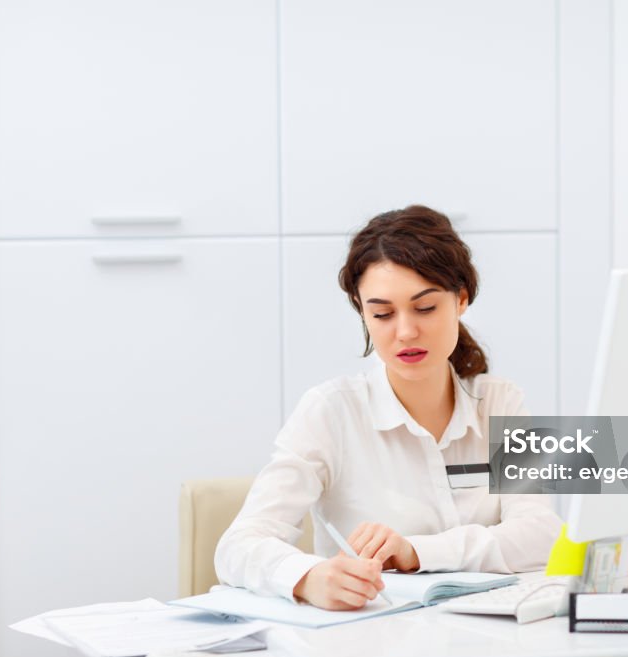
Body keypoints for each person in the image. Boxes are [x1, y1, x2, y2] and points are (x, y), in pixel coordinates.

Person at [215, 205, 562, 610]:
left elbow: (542, 535)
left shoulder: (500, 402)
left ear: (462, 299)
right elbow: (238, 546)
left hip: (492, 638)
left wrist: (415, 552)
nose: (405, 331)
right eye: (382, 314)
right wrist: (307, 578)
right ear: (363, 313)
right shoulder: (331, 412)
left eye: (425, 308)